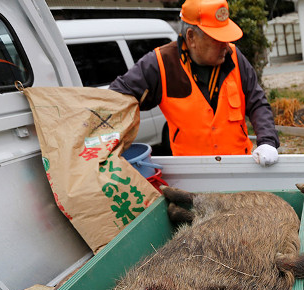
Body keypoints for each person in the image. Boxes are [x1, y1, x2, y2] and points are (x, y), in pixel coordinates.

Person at [109, 0, 279, 166]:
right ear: (191, 37)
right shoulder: (161, 64)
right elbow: (115, 99)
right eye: (217, 39)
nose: (226, 46)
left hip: (238, 165)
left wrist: (267, 141)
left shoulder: (234, 57)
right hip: (190, 171)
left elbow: (257, 103)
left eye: (226, 38)